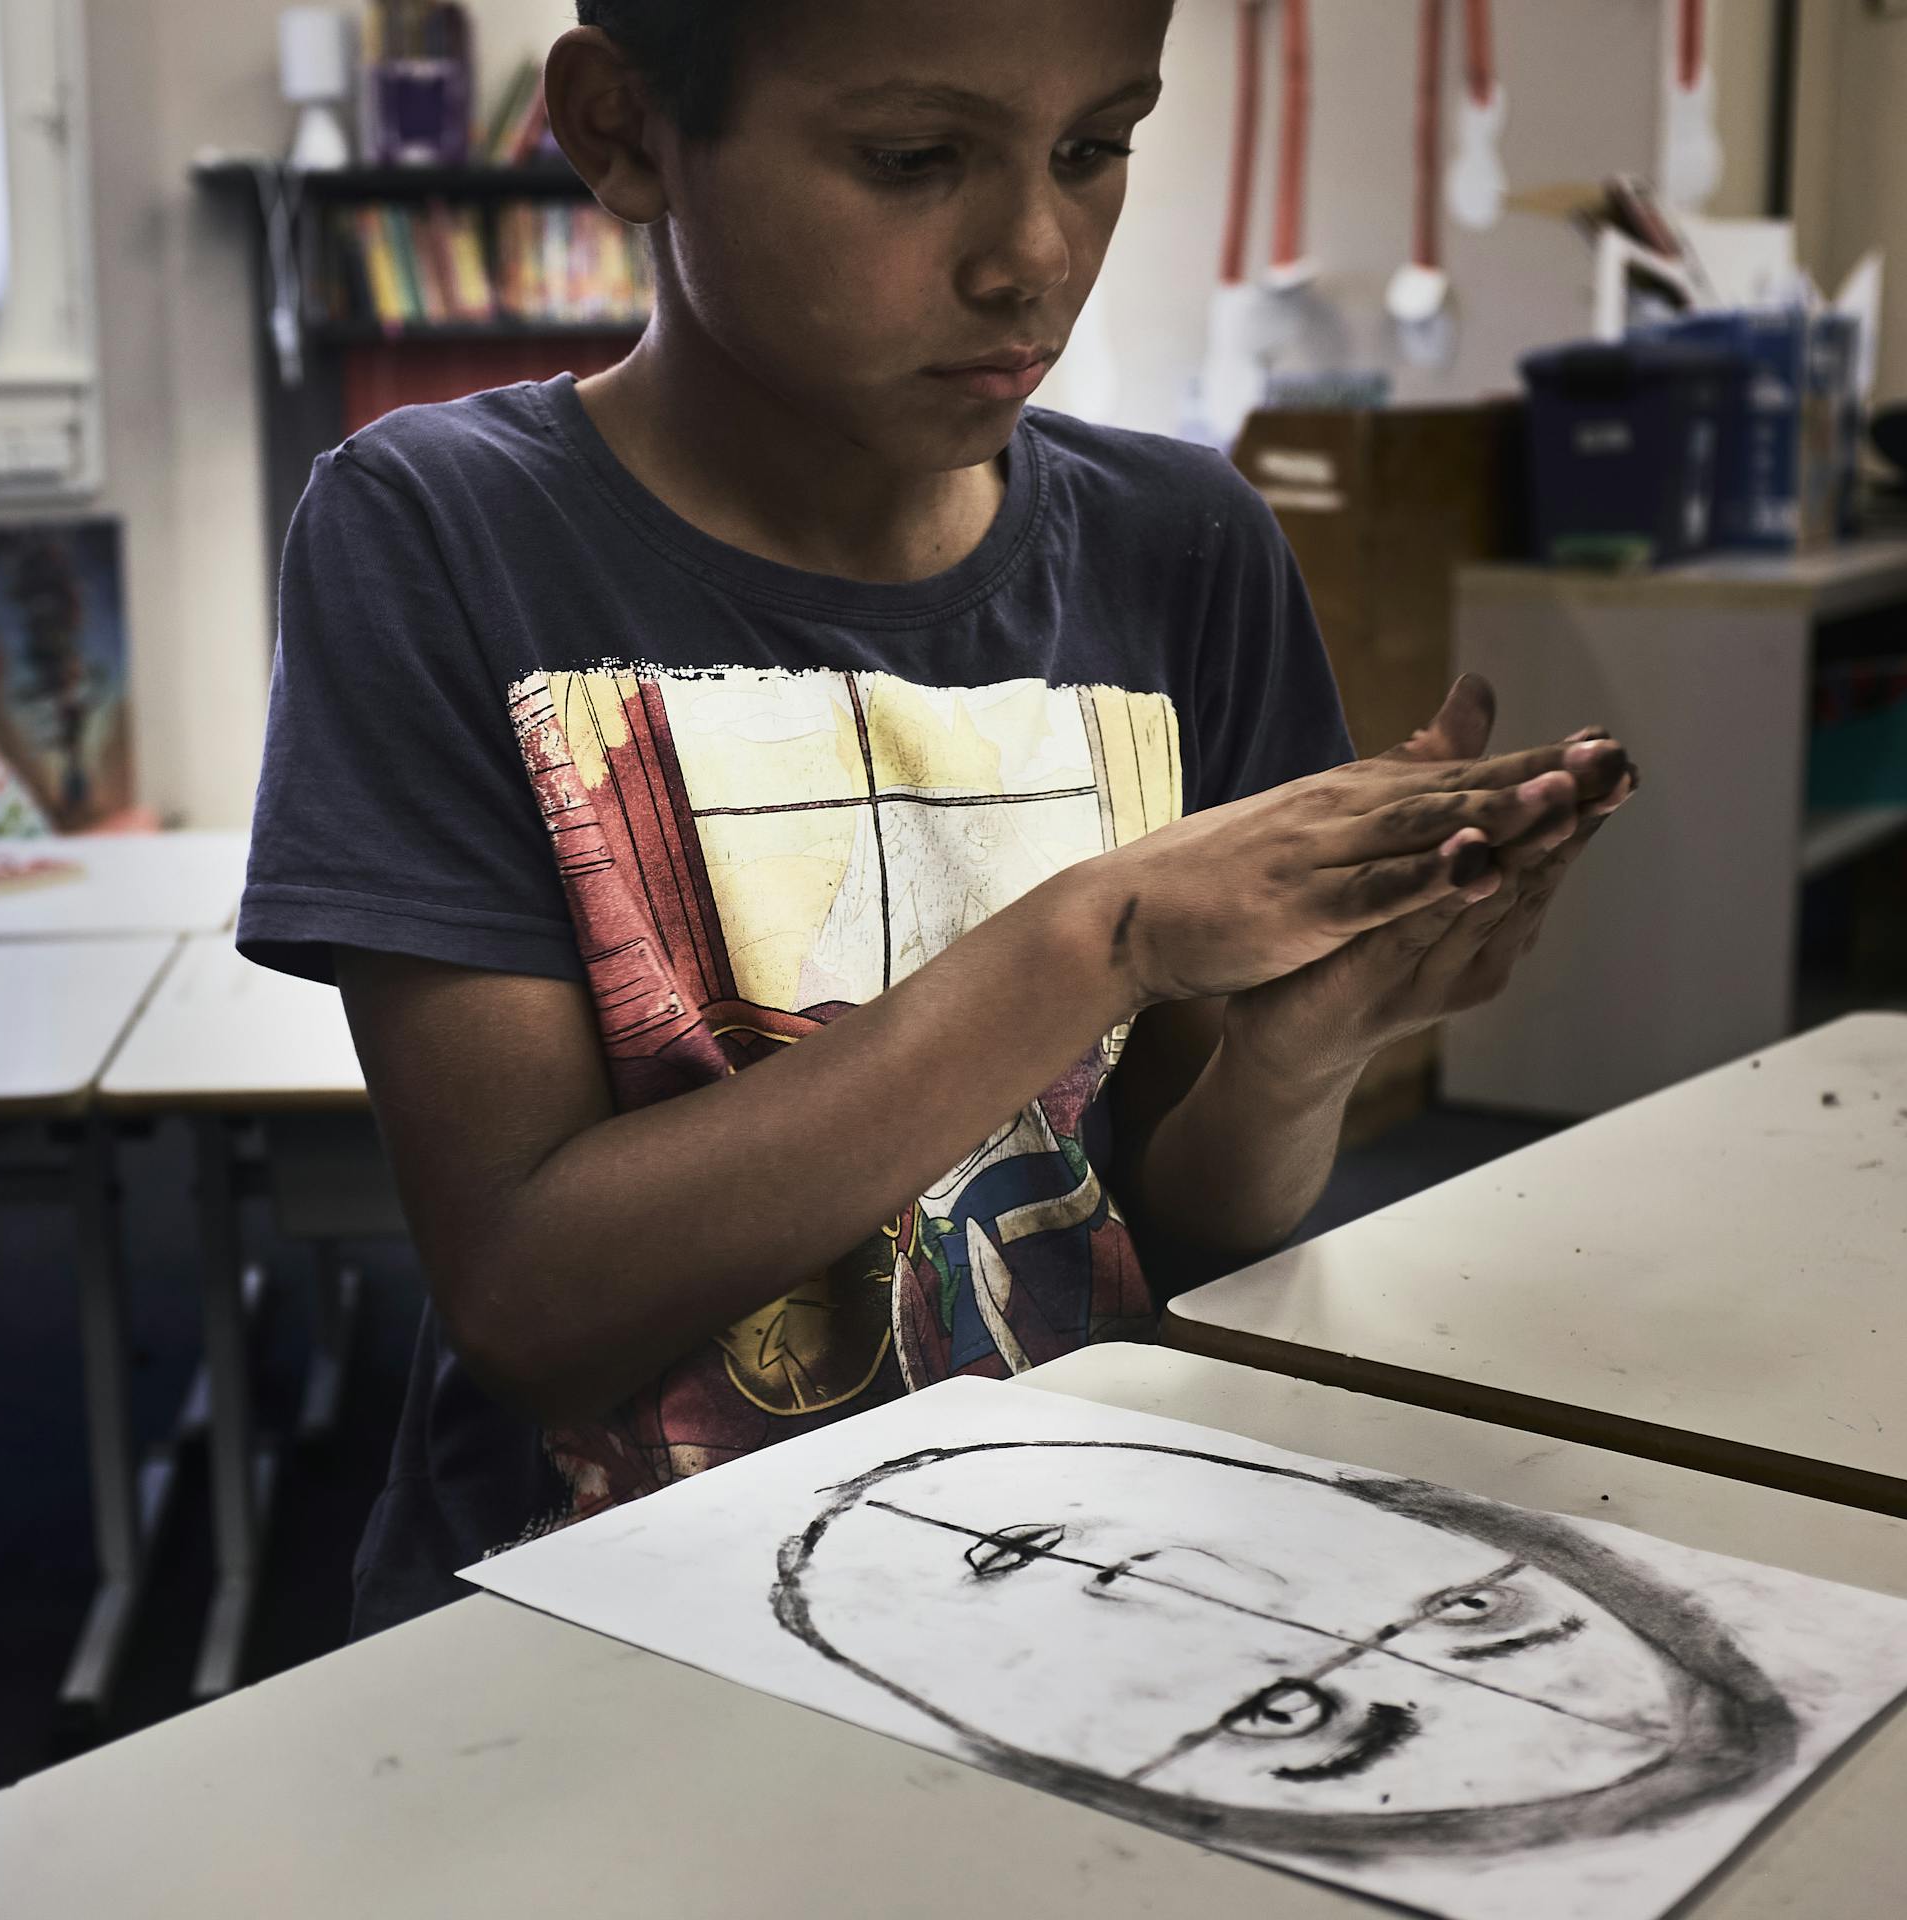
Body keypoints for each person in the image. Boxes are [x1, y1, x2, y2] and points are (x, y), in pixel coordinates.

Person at [237, 0, 1637, 1636]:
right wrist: (1098, 938)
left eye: (1095, 148)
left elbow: (1183, 1227)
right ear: (623, 132)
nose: (1036, 255)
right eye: (913, 160)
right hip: (603, 1609)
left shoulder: (1184, 544)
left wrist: (1301, 1055)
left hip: (1083, 1570)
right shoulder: (440, 532)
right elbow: (536, 1300)